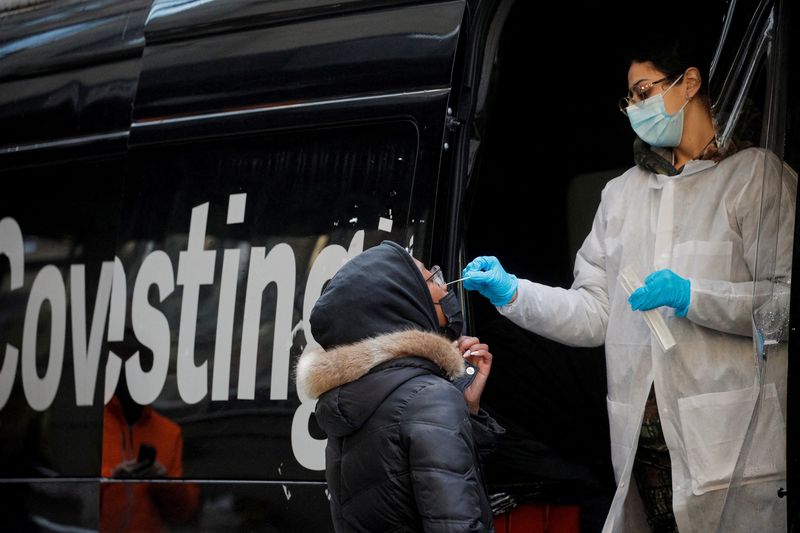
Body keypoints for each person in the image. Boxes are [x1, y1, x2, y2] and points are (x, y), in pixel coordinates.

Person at [461, 38, 795, 533]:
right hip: (647, 457)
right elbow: (595, 314)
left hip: (735, 451)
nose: (636, 108)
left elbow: (785, 303)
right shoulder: (620, 197)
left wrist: (695, 296)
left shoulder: (755, 178)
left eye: (644, 91)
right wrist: (515, 293)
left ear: (689, 83)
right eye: (630, 99)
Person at [295, 240, 503, 532]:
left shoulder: (356, 399)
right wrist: (448, 402)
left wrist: (466, 408)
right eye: (432, 279)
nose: (445, 288)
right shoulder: (430, 399)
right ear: (403, 299)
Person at [101, 331, 200, 532]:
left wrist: (164, 482)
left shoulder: (168, 433)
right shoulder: (91, 425)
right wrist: (111, 480)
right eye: (121, 367)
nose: (130, 377)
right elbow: (68, 495)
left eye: (141, 367)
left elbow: (184, 512)